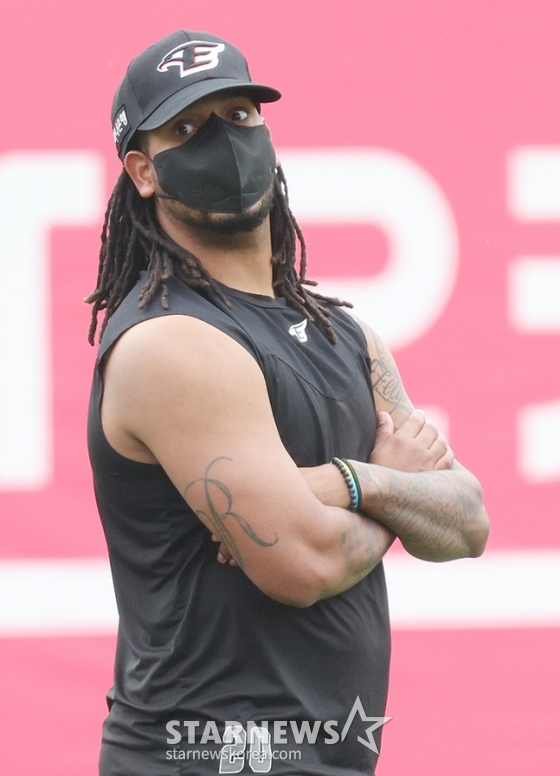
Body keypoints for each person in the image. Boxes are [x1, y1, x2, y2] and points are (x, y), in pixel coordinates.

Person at [86, 29, 489, 776]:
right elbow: (302, 561)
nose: (225, 141)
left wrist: (341, 484)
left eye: (240, 115)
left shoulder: (348, 337)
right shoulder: (169, 342)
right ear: (142, 171)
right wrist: (387, 484)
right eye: (187, 129)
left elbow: (467, 521)